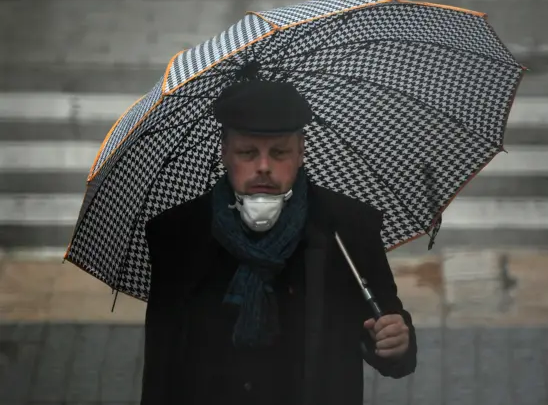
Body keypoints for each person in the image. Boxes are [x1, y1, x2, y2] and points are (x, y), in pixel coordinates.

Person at [140, 79, 418, 405]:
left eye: (279, 152)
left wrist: (397, 342)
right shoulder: (179, 234)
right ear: (225, 152)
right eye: (247, 152)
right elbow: (162, 367)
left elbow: (388, 331)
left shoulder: (345, 228)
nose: (263, 167)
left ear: (301, 151)